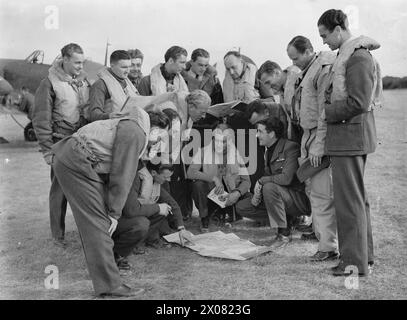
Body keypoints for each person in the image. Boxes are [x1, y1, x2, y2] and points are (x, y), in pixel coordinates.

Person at [51, 107, 168, 297]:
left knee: (98, 223)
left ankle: (108, 279)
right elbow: (122, 175)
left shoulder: (132, 126)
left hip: (74, 158)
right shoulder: (135, 133)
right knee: (98, 224)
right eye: (161, 136)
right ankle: (109, 285)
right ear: (153, 129)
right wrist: (114, 214)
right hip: (76, 162)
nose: (158, 143)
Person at [317, 9, 382, 276]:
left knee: (349, 203)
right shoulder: (352, 56)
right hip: (350, 138)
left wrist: (327, 112)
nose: (323, 42)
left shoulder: (357, 57)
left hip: (349, 139)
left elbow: (359, 102)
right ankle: (363, 257)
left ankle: (353, 263)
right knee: (357, 201)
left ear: (338, 29)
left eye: (325, 35)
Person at [33, 43, 91, 246]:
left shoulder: (84, 81)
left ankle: (87, 233)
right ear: (64, 59)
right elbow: (41, 118)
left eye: (82, 62)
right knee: (59, 190)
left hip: (82, 143)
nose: (80, 66)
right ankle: (58, 236)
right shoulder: (48, 83)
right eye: (76, 62)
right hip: (60, 144)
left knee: (86, 189)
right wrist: (47, 150)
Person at [287, 35, 338, 261]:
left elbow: (324, 112)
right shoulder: (307, 70)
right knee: (314, 192)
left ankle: (328, 246)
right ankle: (322, 237)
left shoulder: (321, 70)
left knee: (322, 194)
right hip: (307, 137)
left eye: (296, 58)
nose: (293, 62)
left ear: (308, 51)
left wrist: (318, 146)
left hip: (317, 137)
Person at [235, 117, 310, 248]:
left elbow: (286, 178)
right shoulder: (267, 150)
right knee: (242, 206)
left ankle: (284, 233)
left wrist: (263, 181)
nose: (257, 135)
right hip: (279, 196)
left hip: (297, 200)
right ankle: (289, 219)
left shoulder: (290, 147)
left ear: (271, 133)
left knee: (269, 187)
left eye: (260, 131)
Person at [187, 123, 251, 231]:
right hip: (213, 194)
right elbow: (190, 173)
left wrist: (237, 193)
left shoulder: (236, 154)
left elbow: (247, 181)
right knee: (198, 185)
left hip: (230, 195)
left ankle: (226, 213)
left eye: (223, 141)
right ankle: (205, 217)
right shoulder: (203, 151)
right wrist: (214, 178)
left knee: (251, 197)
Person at [87, 50, 140, 122]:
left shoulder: (128, 83)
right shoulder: (100, 85)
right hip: (110, 126)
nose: (128, 71)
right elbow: (93, 115)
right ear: (112, 66)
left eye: (129, 66)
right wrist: (109, 116)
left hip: (130, 122)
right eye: (124, 67)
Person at [256, 60, 301, 143]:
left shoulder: (298, 80)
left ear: (277, 72)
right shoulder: (282, 90)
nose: (269, 88)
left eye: (268, 82)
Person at [137, 46, 189, 111]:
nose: (184, 67)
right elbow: (140, 110)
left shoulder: (183, 81)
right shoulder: (147, 81)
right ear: (171, 61)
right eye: (182, 62)